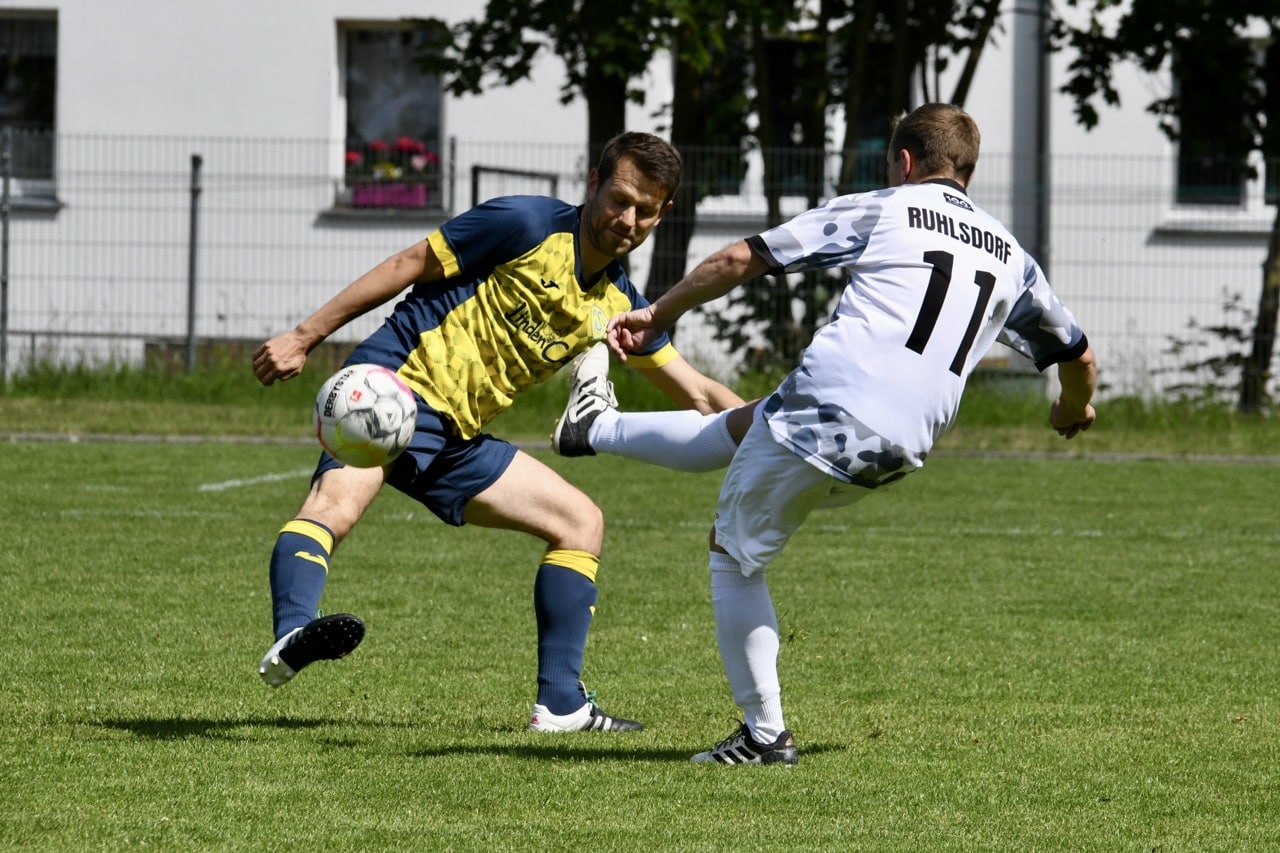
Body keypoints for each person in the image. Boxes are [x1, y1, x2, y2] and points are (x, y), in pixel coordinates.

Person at [592, 103, 1098, 764]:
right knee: (751, 424)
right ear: (967, 173)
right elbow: (1078, 357)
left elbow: (744, 256)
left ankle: (764, 734)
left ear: (906, 162)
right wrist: (1070, 409)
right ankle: (594, 428)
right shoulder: (1010, 256)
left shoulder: (887, 207)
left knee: (733, 552)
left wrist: (657, 312)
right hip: (902, 444)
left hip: (831, 410)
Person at [251, 131, 744, 733]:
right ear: (593, 184)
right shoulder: (525, 221)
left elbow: (698, 394)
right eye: (619, 198)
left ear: (664, 213)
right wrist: (305, 336)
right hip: (396, 389)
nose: (628, 218)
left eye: (645, 209)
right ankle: (293, 632)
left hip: (457, 438)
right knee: (337, 506)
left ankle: (561, 704)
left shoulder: (619, 303)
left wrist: (779, 432)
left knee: (579, 523)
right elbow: (409, 264)